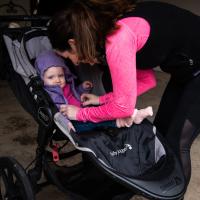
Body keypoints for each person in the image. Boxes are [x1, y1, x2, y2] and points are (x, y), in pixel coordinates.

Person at [47, 0, 200, 192]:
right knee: (161, 136)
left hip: (195, 70)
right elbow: (147, 80)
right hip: (186, 70)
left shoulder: (118, 39)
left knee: (178, 143)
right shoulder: (105, 28)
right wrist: (101, 100)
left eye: (68, 56)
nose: (74, 62)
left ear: (73, 43)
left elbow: (123, 108)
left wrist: (79, 114)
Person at [35, 50, 153, 133]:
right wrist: (66, 123)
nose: (57, 80)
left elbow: (74, 93)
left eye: (60, 75)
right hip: (72, 119)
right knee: (92, 123)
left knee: (107, 107)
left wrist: (82, 88)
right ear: (42, 78)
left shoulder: (68, 84)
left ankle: (133, 113)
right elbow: (56, 112)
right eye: (51, 77)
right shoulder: (49, 93)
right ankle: (122, 120)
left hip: (82, 110)